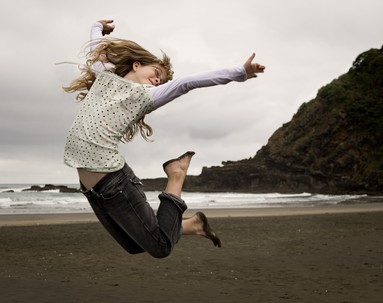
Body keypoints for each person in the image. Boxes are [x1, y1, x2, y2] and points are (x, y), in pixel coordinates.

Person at [63, 19, 265, 259]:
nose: (159, 80)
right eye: (156, 72)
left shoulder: (146, 95)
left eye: (162, 80)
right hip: (92, 188)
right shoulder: (103, 75)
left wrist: (240, 72)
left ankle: (176, 173)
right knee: (135, 245)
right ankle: (191, 225)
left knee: (160, 247)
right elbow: (97, 47)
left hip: (112, 181)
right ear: (137, 65)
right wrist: (97, 26)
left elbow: (187, 83)